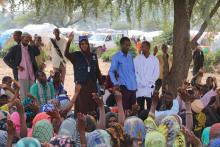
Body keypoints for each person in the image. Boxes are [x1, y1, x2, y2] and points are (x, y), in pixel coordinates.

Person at [64, 32, 103, 116]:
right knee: (82, 109)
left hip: (92, 86)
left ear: (88, 44)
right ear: (80, 45)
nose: (84, 45)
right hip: (81, 87)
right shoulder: (76, 55)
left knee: (92, 108)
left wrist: (101, 83)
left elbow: (97, 70)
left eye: (85, 43)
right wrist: (69, 41)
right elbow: (66, 54)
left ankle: (92, 125)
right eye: (82, 44)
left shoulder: (93, 56)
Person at [3, 32, 40, 99]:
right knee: (24, 95)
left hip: (31, 74)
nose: (27, 41)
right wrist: (16, 66)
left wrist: (32, 42)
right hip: (21, 75)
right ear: (22, 38)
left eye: (28, 40)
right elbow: (6, 59)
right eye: (26, 40)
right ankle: (24, 109)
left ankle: (32, 109)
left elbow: (37, 52)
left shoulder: (30, 48)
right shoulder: (15, 48)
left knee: (33, 94)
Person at [109, 37, 137, 112]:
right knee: (125, 111)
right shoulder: (116, 57)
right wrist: (115, 83)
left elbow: (132, 71)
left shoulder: (130, 56)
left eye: (129, 45)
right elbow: (111, 71)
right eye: (126, 45)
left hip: (133, 87)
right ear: (121, 45)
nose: (128, 47)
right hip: (124, 87)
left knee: (133, 111)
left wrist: (136, 84)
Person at [134, 41, 160, 112]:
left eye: (143, 46)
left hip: (150, 87)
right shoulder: (137, 59)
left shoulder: (154, 59)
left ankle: (149, 121)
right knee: (140, 107)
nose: (141, 48)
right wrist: (140, 82)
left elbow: (156, 73)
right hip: (140, 87)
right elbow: (135, 72)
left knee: (150, 107)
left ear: (148, 47)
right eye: (141, 47)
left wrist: (149, 82)